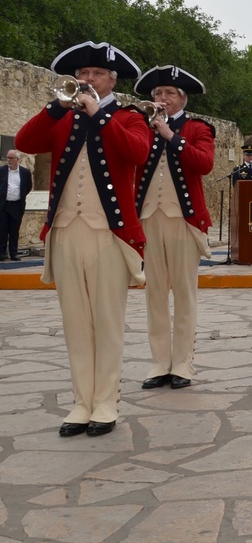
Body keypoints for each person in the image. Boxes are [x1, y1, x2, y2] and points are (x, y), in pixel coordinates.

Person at [15, 41, 148, 437]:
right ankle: (81, 402)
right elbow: (24, 142)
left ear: (112, 80)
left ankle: (105, 402)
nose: (87, 80)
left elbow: (138, 152)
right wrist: (57, 106)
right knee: (75, 320)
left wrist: (101, 118)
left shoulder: (128, 117)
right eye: (83, 75)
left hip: (110, 233)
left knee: (106, 320)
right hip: (66, 229)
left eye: (95, 75)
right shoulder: (63, 115)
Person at [134, 65, 215, 391]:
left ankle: (183, 363)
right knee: (154, 294)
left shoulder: (197, 128)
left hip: (184, 220)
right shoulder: (141, 126)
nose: (161, 99)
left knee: (184, 294)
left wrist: (171, 136)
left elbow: (204, 163)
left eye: (168, 93)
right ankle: (159, 363)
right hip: (148, 219)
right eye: (157, 94)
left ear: (182, 98)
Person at [1, 150, 32, 261]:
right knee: (2, 229)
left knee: (14, 230)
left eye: (11, 158)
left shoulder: (25, 172)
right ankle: (2, 253)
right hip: (3, 205)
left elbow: (28, 187)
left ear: (17, 159)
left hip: (16, 205)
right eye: (8, 158)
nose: (9, 160)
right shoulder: (2, 171)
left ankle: (13, 253)